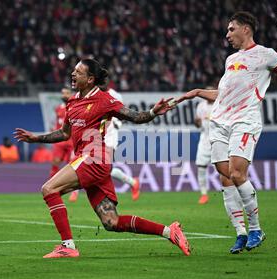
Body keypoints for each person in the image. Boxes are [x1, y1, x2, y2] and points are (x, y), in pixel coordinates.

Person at [176, 11, 277, 254]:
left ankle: (255, 229)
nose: (227, 34)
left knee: (237, 172)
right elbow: (223, 95)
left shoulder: (266, 55)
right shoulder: (231, 60)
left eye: (231, 29)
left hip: (245, 121)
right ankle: (240, 233)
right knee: (224, 176)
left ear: (246, 29)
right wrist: (198, 91)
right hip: (220, 122)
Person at [14, 58, 190, 258]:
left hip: (93, 159)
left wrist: (152, 112)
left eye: (78, 72)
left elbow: (135, 116)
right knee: (111, 222)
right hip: (90, 162)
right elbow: (64, 134)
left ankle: (68, 246)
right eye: (74, 70)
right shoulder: (72, 102)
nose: (73, 74)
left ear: (90, 79)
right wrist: (36, 138)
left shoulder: (104, 100)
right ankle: (170, 231)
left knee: (49, 189)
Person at [104, 87, 141, 201]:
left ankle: (131, 183)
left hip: (110, 134)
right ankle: (132, 182)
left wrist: (117, 123)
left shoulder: (115, 95)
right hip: (97, 132)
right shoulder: (93, 93)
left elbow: (123, 112)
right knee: (103, 168)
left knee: (105, 168)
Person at [50, 87, 79, 202]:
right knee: (55, 162)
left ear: (71, 94)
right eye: (63, 93)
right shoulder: (58, 109)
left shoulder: (75, 106)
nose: (64, 95)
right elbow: (57, 123)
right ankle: (52, 187)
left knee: (72, 166)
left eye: (67, 93)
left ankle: (74, 192)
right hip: (60, 141)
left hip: (71, 141)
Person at [194, 86, 214, 204]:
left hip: (218, 139)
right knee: (201, 167)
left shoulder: (220, 104)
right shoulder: (201, 106)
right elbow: (199, 125)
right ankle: (204, 194)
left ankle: (230, 192)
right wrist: (196, 122)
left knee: (223, 168)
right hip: (205, 139)